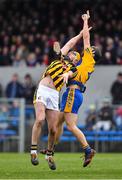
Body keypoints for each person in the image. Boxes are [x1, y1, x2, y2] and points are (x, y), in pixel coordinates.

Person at [41, 11, 101, 168]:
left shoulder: (88, 58)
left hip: (73, 92)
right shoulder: (87, 65)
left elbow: (86, 38)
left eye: (91, 48)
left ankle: (88, 150)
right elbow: (72, 44)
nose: (88, 48)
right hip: (74, 92)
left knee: (70, 125)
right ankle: (50, 150)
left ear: (92, 53)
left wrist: (85, 21)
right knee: (57, 123)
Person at [30, 26, 88, 170]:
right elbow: (69, 44)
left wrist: (66, 75)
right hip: (43, 89)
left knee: (54, 130)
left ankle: (49, 154)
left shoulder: (73, 69)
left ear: (76, 60)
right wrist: (80, 34)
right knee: (39, 119)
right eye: (72, 53)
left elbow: (70, 74)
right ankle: (33, 151)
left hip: (54, 94)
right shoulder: (60, 57)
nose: (72, 53)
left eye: (74, 54)